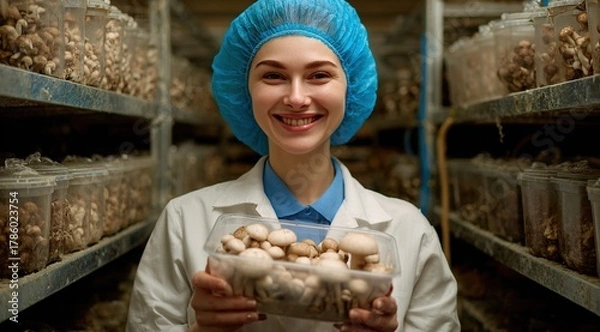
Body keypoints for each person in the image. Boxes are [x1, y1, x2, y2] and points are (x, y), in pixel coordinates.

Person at [126, 0, 460, 331]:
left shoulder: (410, 230)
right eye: (273, 75)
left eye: (319, 75)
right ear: (246, 90)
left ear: (350, 87)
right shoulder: (184, 219)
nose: (297, 98)